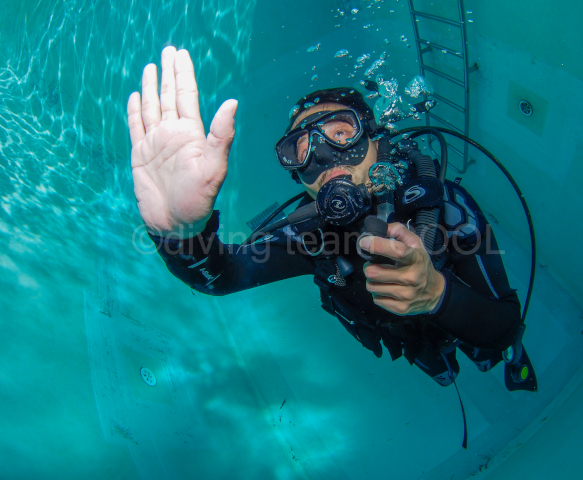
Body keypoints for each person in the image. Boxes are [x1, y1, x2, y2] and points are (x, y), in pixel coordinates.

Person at [128, 47, 522, 388]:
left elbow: (505, 324)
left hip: (464, 316)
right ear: (296, 171)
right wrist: (180, 234)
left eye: (340, 131)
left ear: (375, 137)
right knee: (438, 367)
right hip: (399, 337)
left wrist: (437, 294)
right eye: (300, 149)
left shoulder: (446, 209)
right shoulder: (311, 236)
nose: (323, 155)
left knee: (490, 350)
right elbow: (221, 276)